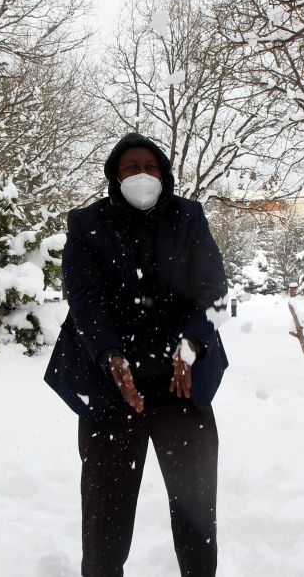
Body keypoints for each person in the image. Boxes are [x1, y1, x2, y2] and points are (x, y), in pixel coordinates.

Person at [44, 133, 228, 577]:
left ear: (164, 173)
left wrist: (190, 347)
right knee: (105, 519)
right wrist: (111, 357)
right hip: (111, 392)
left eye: (150, 166)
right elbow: (85, 301)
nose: (141, 174)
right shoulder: (87, 224)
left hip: (180, 387)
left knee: (196, 514)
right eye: (130, 167)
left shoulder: (189, 217)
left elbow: (214, 292)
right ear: (114, 175)